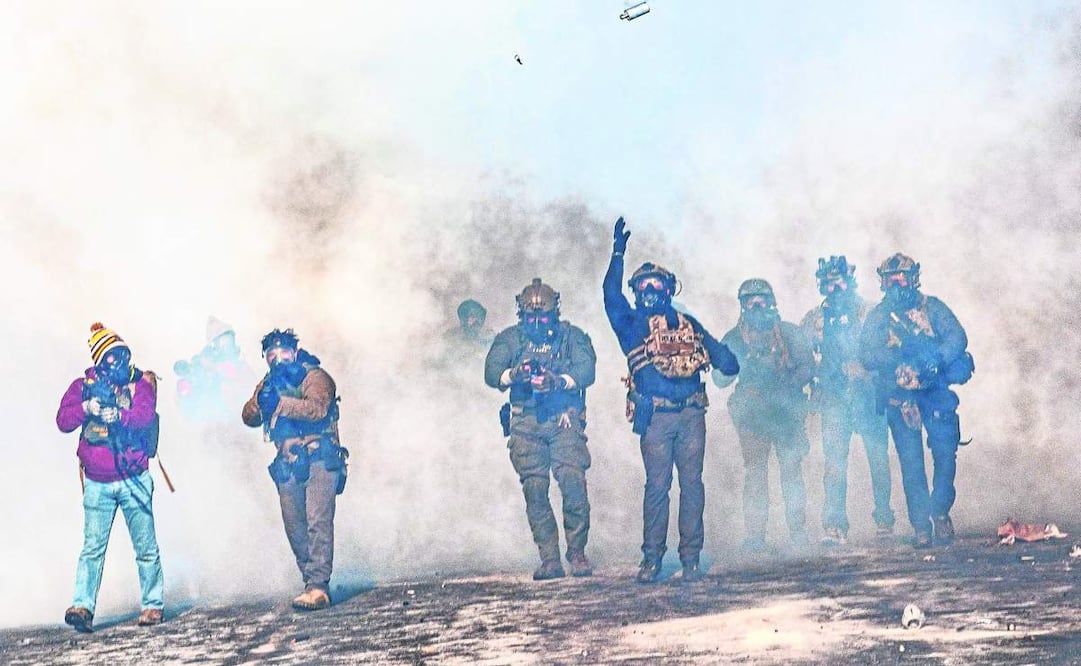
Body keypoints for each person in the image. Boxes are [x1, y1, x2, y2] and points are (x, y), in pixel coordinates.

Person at [603, 217, 739, 583]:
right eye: (642, 284)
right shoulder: (630, 323)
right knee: (657, 488)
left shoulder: (687, 323)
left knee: (692, 485)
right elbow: (610, 296)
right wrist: (617, 255)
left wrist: (723, 355)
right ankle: (652, 559)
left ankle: (691, 558)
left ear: (668, 288)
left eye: (656, 284)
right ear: (635, 291)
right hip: (657, 417)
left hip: (692, 413)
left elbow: (727, 362)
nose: (649, 290)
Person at [484, 279, 597, 580]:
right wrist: (515, 375)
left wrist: (558, 381)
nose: (536, 323)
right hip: (526, 422)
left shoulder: (572, 337)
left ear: (554, 313)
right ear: (521, 315)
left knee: (572, 481)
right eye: (530, 318)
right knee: (535, 489)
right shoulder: (510, 339)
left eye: (543, 318)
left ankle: (577, 551)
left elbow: (587, 370)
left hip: (563, 418)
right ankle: (549, 558)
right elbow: (491, 372)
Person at [56, 323, 164, 632]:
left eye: (122, 354)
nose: (119, 361)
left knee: (145, 547)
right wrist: (86, 408)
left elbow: (144, 417)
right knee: (92, 549)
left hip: (134, 478)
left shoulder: (140, 383)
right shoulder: (83, 387)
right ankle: (82, 606)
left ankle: (153, 604)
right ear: (100, 361)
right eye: (111, 356)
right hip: (97, 482)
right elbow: (62, 421)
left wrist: (119, 416)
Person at [860, 253, 973, 548]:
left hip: (934, 391)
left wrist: (934, 359)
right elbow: (866, 353)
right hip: (901, 397)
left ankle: (940, 510)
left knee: (945, 454)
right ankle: (921, 526)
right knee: (911, 464)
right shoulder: (878, 317)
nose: (896, 285)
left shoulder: (931, 307)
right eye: (890, 280)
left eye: (901, 278)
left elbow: (957, 338)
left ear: (913, 279)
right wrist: (896, 359)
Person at [242, 328, 348, 609]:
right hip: (287, 464)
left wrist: (280, 404)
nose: (278, 358)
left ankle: (318, 586)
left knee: (317, 521)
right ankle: (309, 580)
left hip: (319, 458)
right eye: (271, 354)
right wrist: (260, 403)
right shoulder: (269, 382)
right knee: (295, 527)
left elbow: (317, 409)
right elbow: (248, 417)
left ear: (295, 352)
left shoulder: (314, 377)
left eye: (284, 352)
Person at [800, 256, 894, 546]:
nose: (835, 288)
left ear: (850, 282)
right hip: (834, 398)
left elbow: (889, 349)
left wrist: (866, 370)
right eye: (828, 283)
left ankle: (884, 519)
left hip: (867, 395)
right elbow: (802, 356)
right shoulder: (814, 318)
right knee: (834, 465)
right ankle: (834, 525)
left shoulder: (869, 312)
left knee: (878, 459)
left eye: (839, 281)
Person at [715, 279, 814, 552]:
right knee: (756, 476)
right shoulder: (735, 338)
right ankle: (755, 536)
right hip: (753, 417)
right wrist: (732, 362)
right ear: (743, 305)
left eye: (762, 300)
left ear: (772, 302)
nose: (757, 306)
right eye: (751, 301)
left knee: (791, 472)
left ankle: (798, 532)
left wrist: (787, 386)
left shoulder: (789, 333)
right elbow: (720, 380)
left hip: (786, 415)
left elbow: (808, 367)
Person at [174, 316, 256, 423]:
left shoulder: (239, 366)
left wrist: (213, 367)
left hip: (237, 420)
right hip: (210, 424)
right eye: (222, 341)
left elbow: (248, 382)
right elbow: (186, 405)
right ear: (214, 344)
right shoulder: (202, 367)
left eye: (228, 340)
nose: (226, 345)